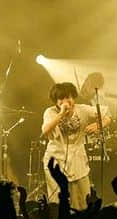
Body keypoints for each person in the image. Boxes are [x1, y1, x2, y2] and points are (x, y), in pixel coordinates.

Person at [41, 82, 111, 210]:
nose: (65, 101)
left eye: (68, 97)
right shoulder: (50, 112)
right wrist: (61, 114)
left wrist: (98, 125)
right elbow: (45, 131)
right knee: (58, 201)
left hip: (77, 158)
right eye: (61, 99)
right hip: (55, 159)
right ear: (56, 101)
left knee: (83, 200)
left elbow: (107, 117)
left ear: (73, 97)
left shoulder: (82, 109)